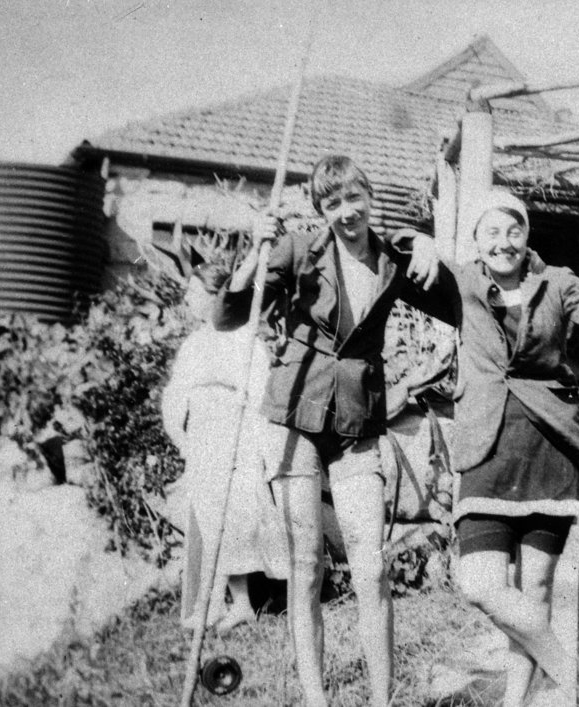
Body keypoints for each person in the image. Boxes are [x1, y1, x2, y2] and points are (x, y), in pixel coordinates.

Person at [212, 154, 440, 707]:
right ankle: (317, 700)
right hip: (295, 417)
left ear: (369, 197)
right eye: (332, 203)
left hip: (358, 420)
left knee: (371, 566)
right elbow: (227, 315)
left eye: (354, 198)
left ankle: (381, 700)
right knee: (306, 565)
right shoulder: (297, 250)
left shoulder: (391, 259)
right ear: (321, 210)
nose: (346, 212)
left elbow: (445, 290)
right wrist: (253, 256)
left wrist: (429, 242)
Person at [394, 191, 579, 705]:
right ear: (477, 241)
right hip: (486, 448)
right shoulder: (459, 283)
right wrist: (419, 240)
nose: (504, 243)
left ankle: (515, 703)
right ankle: (567, 668)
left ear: (527, 236)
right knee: (480, 585)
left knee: (536, 591)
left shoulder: (560, 282)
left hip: (550, 448)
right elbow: (390, 255)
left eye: (513, 231)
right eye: (492, 233)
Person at [161, 262, 289, 634]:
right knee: (210, 517)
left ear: (215, 296)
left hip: (237, 437)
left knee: (238, 518)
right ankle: (216, 603)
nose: (187, 299)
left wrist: (256, 440)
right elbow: (176, 395)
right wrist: (181, 436)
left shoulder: (244, 340)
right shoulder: (193, 344)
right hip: (203, 439)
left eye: (194, 293)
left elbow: (261, 395)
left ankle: (245, 602)